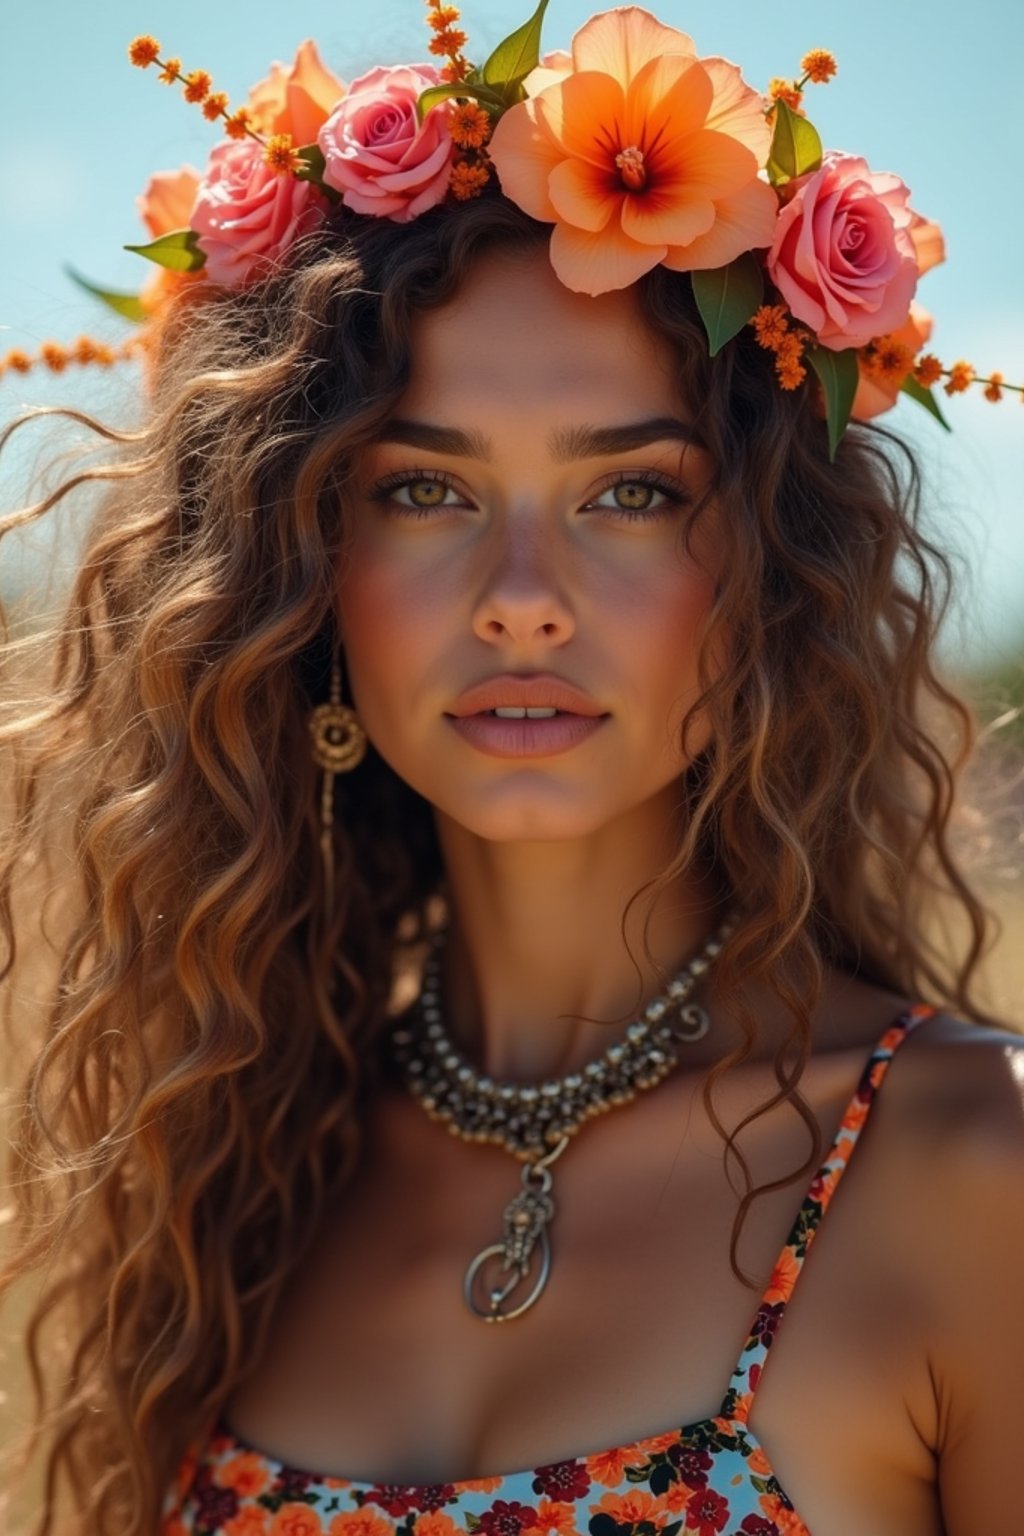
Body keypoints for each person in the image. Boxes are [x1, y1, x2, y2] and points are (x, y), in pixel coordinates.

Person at [0, 8, 1022, 1536]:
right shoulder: (244, 1166)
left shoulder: (970, 1170)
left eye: (629, 490)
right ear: (299, 569)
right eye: (424, 487)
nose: (522, 595)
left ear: (767, 571)